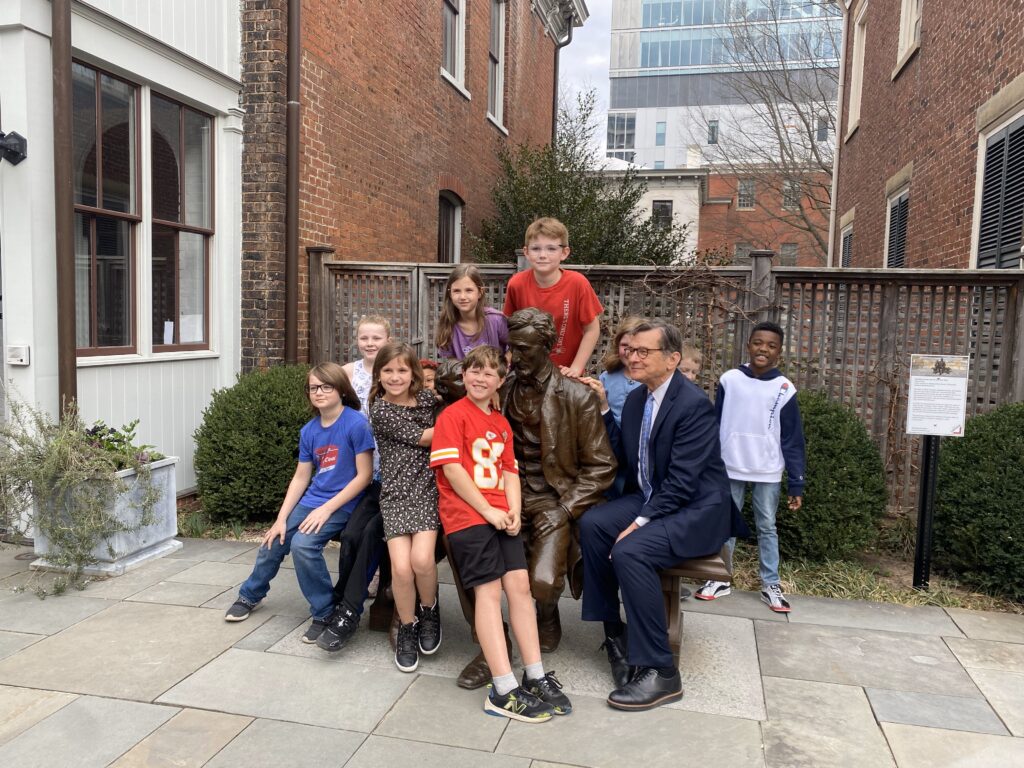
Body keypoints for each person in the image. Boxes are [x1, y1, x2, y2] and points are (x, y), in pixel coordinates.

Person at [578, 320, 738, 711]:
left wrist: (638, 523)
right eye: (630, 350)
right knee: (593, 524)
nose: (632, 357)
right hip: (652, 496)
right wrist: (602, 410)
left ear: (672, 359)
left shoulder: (693, 405)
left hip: (696, 509)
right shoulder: (636, 400)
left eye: (643, 352)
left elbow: (684, 483)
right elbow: (625, 457)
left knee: (631, 551)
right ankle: (615, 634)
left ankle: (661, 671)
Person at [430, 345, 571, 722]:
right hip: (468, 517)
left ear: (500, 380)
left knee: (521, 589)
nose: (479, 378)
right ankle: (503, 688)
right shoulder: (452, 416)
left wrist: (512, 511)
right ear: (464, 375)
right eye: (473, 371)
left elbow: (510, 473)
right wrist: (489, 510)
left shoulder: (501, 423)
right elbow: (454, 472)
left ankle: (535, 675)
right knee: (489, 594)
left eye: (489, 373)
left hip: (499, 516)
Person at [224, 363, 375, 645]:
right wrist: (281, 519)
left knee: (303, 546)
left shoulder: (356, 424)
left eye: (326, 386)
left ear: (342, 389)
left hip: (344, 504)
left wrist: (327, 508)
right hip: (314, 500)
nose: (319, 392)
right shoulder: (309, 430)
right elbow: (301, 477)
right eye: (313, 387)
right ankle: (250, 595)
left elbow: (364, 476)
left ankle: (325, 611)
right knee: (274, 540)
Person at [696, 320, 806, 613]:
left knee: (767, 526)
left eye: (771, 346)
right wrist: (708, 462)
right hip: (729, 466)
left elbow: (792, 438)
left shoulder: (785, 388)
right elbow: (715, 423)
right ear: (748, 345)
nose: (763, 349)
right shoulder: (730, 379)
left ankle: (771, 584)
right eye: (758, 343)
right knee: (725, 524)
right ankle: (719, 577)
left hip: (767, 470)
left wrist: (796, 481)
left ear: (779, 353)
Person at [359, 342, 442, 671]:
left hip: (425, 489)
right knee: (401, 569)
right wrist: (460, 426)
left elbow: (444, 399)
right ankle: (407, 626)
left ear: (413, 374)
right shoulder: (380, 410)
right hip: (395, 493)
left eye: (402, 370)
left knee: (422, 560)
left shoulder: (426, 399)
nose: (395, 377)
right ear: (379, 374)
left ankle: (430, 610)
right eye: (388, 370)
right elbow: (425, 437)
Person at [502, 217, 603, 378]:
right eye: (536, 249)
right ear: (526, 252)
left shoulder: (577, 283)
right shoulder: (517, 283)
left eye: (551, 249)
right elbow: (510, 328)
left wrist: (576, 367)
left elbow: (592, 329)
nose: (543, 255)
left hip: (566, 373)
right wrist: (508, 357)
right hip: (527, 372)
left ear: (564, 253)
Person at [436, 264, 509, 359]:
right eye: (457, 291)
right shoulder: (447, 325)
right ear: (450, 294)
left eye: (469, 290)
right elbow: (452, 363)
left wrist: (505, 366)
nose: (462, 297)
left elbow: (515, 346)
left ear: (480, 292)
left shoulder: (496, 320)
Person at [599, 316, 644, 426]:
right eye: (624, 345)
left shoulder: (651, 380)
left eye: (637, 347)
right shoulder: (606, 378)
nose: (629, 352)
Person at [342, 315, 391, 410]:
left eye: (376, 338)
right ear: (357, 341)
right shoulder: (347, 371)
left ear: (388, 341)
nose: (369, 344)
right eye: (364, 338)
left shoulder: (397, 371)